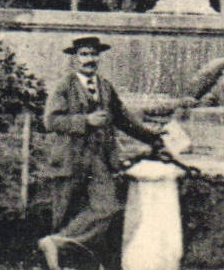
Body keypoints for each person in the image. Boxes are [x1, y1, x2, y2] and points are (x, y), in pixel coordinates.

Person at [39, 35, 164, 270]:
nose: (90, 59)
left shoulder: (105, 86)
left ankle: (56, 244)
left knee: (107, 207)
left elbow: (124, 119)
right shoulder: (64, 86)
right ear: (75, 59)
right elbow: (51, 121)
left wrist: (152, 137)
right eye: (84, 54)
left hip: (99, 160)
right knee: (65, 212)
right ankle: (61, 262)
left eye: (93, 54)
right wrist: (85, 120)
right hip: (70, 159)